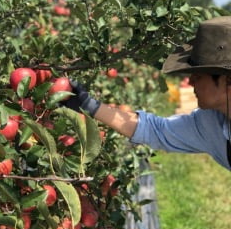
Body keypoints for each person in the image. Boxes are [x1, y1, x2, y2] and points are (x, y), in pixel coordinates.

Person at [63, 16, 231, 171]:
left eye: (199, 76)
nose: (191, 82)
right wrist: (90, 106)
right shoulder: (210, 123)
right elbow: (157, 130)